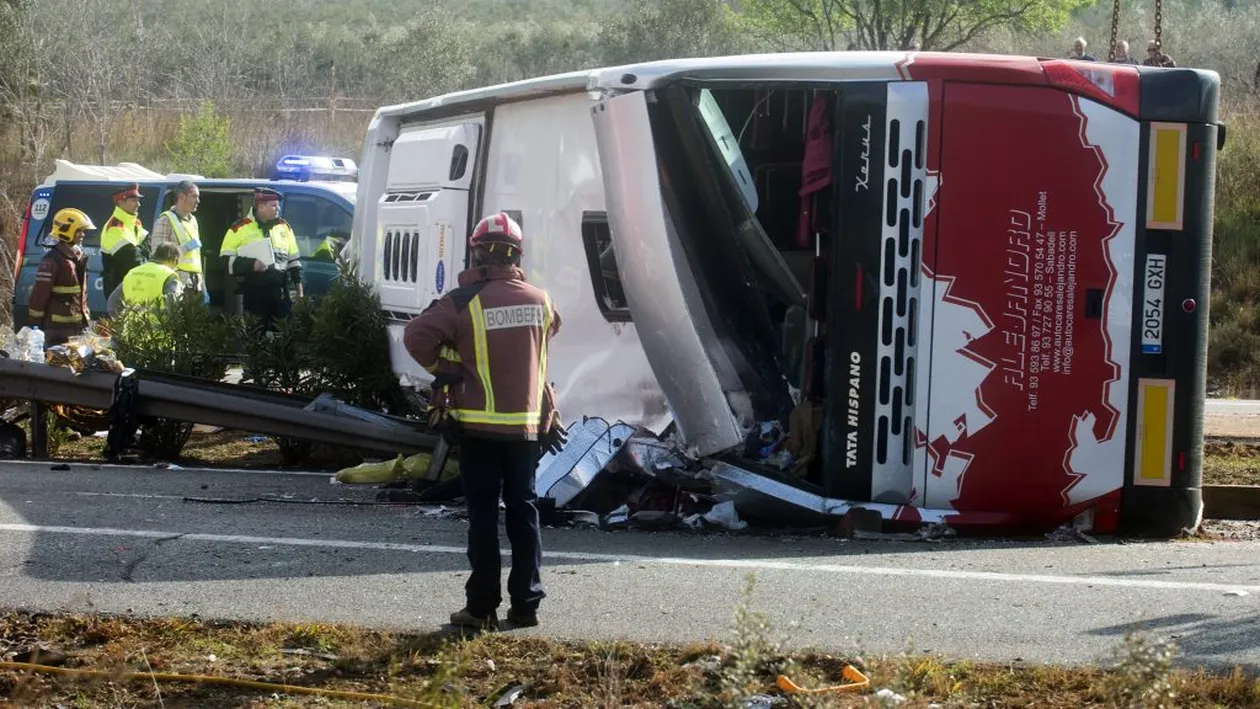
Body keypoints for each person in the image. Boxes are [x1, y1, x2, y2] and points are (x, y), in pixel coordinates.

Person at [402, 212, 566, 632]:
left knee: (482, 518)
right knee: (523, 513)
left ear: (476, 250)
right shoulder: (541, 300)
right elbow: (545, 343)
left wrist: (448, 369)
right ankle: (526, 605)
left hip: (477, 427)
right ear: (517, 255)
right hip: (527, 429)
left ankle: (480, 609)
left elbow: (415, 336)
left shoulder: (463, 301)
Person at [219, 188, 303, 331]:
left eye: (278, 205)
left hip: (281, 293)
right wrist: (252, 265)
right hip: (254, 294)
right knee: (256, 337)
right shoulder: (239, 228)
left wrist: (299, 291)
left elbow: (294, 262)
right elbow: (225, 261)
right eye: (274, 205)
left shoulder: (284, 227)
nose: (278, 209)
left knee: (283, 338)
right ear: (261, 207)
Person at [28, 208, 94, 346]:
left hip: (77, 328)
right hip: (56, 331)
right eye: (79, 231)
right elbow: (39, 296)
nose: (82, 235)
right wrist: (35, 325)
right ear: (66, 230)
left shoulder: (77, 258)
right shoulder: (52, 260)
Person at [149, 180, 205, 299]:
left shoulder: (193, 220)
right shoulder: (165, 220)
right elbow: (157, 255)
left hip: (195, 282)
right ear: (181, 197)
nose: (198, 201)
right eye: (194, 196)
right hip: (175, 283)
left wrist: (201, 280)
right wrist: (185, 248)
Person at [106, 244, 184, 317]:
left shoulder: (133, 272)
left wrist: (123, 323)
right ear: (174, 260)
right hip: (159, 330)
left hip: (130, 329)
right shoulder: (169, 275)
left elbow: (112, 304)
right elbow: (174, 309)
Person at [100, 183, 150, 298]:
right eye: (134, 200)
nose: (138, 204)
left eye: (138, 200)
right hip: (119, 289)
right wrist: (142, 252)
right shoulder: (114, 227)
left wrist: (141, 251)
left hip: (135, 286)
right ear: (120, 202)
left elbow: (149, 249)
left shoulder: (136, 223)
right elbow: (134, 262)